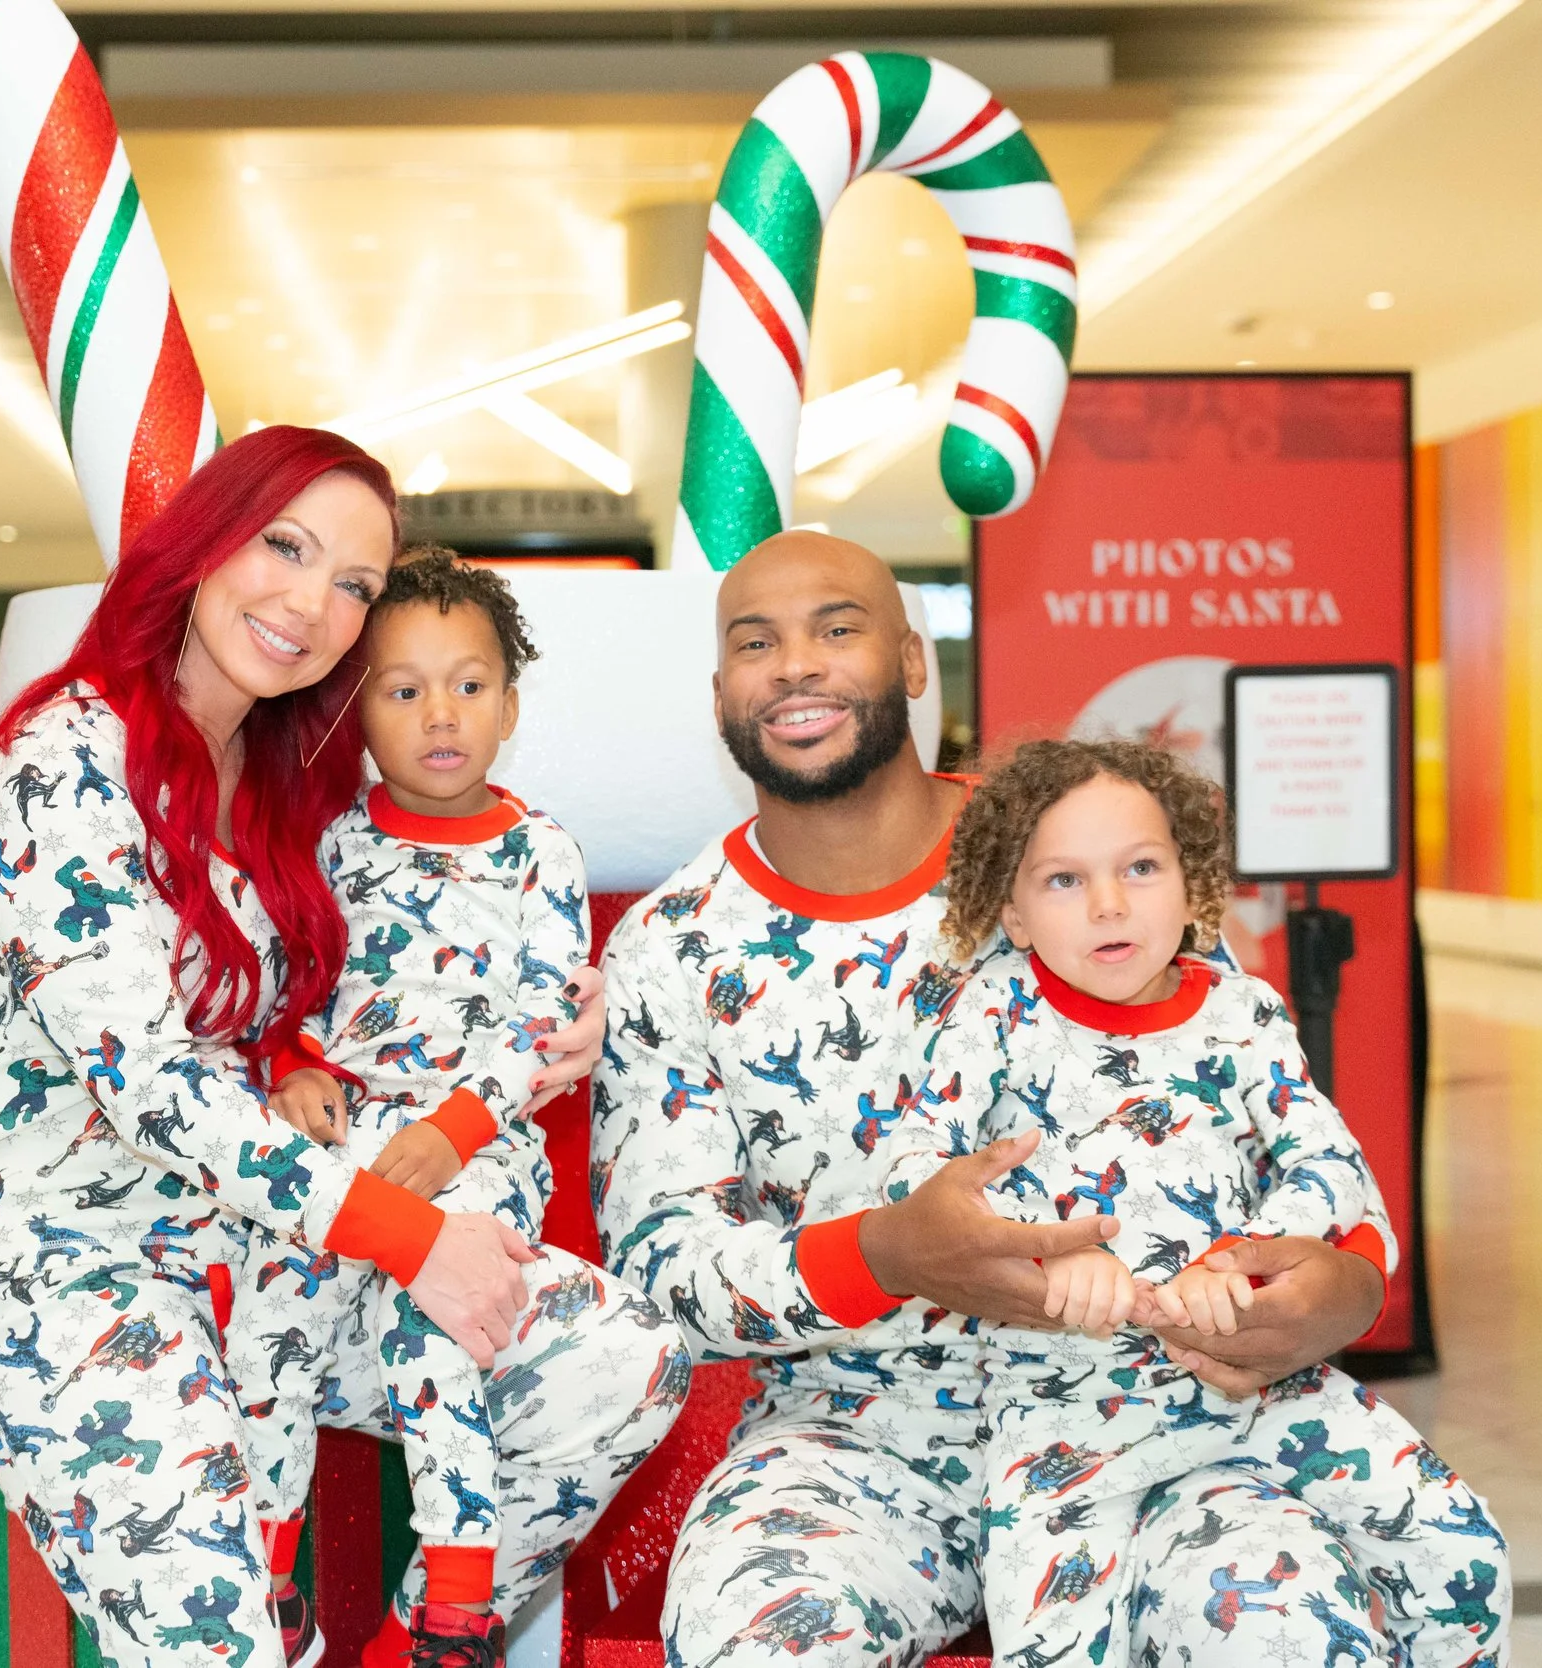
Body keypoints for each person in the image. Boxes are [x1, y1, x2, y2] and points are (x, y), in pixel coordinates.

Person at [0, 428, 683, 1668]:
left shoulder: (288, 775)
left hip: (279, 1238)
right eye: (286, 546)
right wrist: (409, 1231)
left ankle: (417, 1639)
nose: (311, 603)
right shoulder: (62, 761)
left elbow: (411, 973)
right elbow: (149, 1085)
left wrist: (579, 1015)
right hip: (67, 1261)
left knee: (623, 1361)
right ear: (204, 540)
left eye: (354, 585)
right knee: (223, 1644)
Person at [592, 530, 1402, 1668]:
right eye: (755, 643)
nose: (795, 666)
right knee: (755, 1640)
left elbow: (1271, 1118)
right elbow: (663, 1272)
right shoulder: (671, 951)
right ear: (722, 693)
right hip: (852, 1441)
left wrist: (1343, 1292)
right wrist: (885, 1253)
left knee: (1288, 1632)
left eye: (837, 628)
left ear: (913, 662)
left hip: (1165, 1419)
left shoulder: (1091, 852)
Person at [873, 738, 1504, 1667]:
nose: (1109, 904)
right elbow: (914, 1177)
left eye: (1140, 867)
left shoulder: (1241, 1015)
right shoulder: (984, 1019)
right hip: (1068, 1415)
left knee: (1462, 1547)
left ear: (1192, 883)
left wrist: (1254, 1258)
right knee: (1053, 1645)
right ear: (1008, 909)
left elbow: (1327, 1160)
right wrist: (1044, 1258)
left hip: (1260, 1384)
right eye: (1063, 880)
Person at [230, 550, 616, 1667]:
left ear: (507, 706)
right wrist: (296, 1065)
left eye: (468, 686)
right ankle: (265, 1557)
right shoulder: (331, 845)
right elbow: (294, 990)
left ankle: (455, 1593)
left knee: (439, 1318)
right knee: (273, 1298)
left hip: (477, 1139)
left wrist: (448, 1136)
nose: (438, 715)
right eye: (402, 691)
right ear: (355, 714)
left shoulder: (540, 852)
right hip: (345, 1131)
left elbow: (546, 1029)